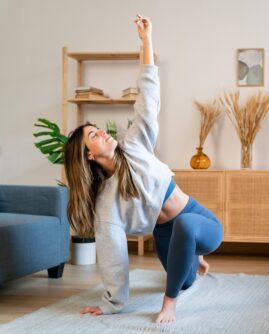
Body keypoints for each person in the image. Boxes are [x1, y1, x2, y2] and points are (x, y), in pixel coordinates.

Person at [63, 14, 223, 324]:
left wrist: (146, 41)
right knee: (187, 278)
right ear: (89, 157)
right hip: (167, 236)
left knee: (187, 226)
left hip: (200, 219)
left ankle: (169, 302)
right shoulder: (106, 203)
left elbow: (148, 96)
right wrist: (111, 304)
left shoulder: (134, 144)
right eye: (93, 136)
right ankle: (191, 259)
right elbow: (113, 257)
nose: (103, 133)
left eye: (98, 128)